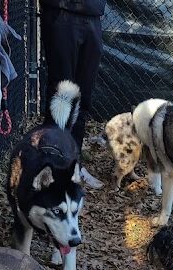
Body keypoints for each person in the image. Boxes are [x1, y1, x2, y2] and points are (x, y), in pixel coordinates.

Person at [39, 0, 106, 189]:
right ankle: (52, 168)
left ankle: (74, 165)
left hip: (93, 16)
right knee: (62, 95)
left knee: (83, 98)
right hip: (61, 14)